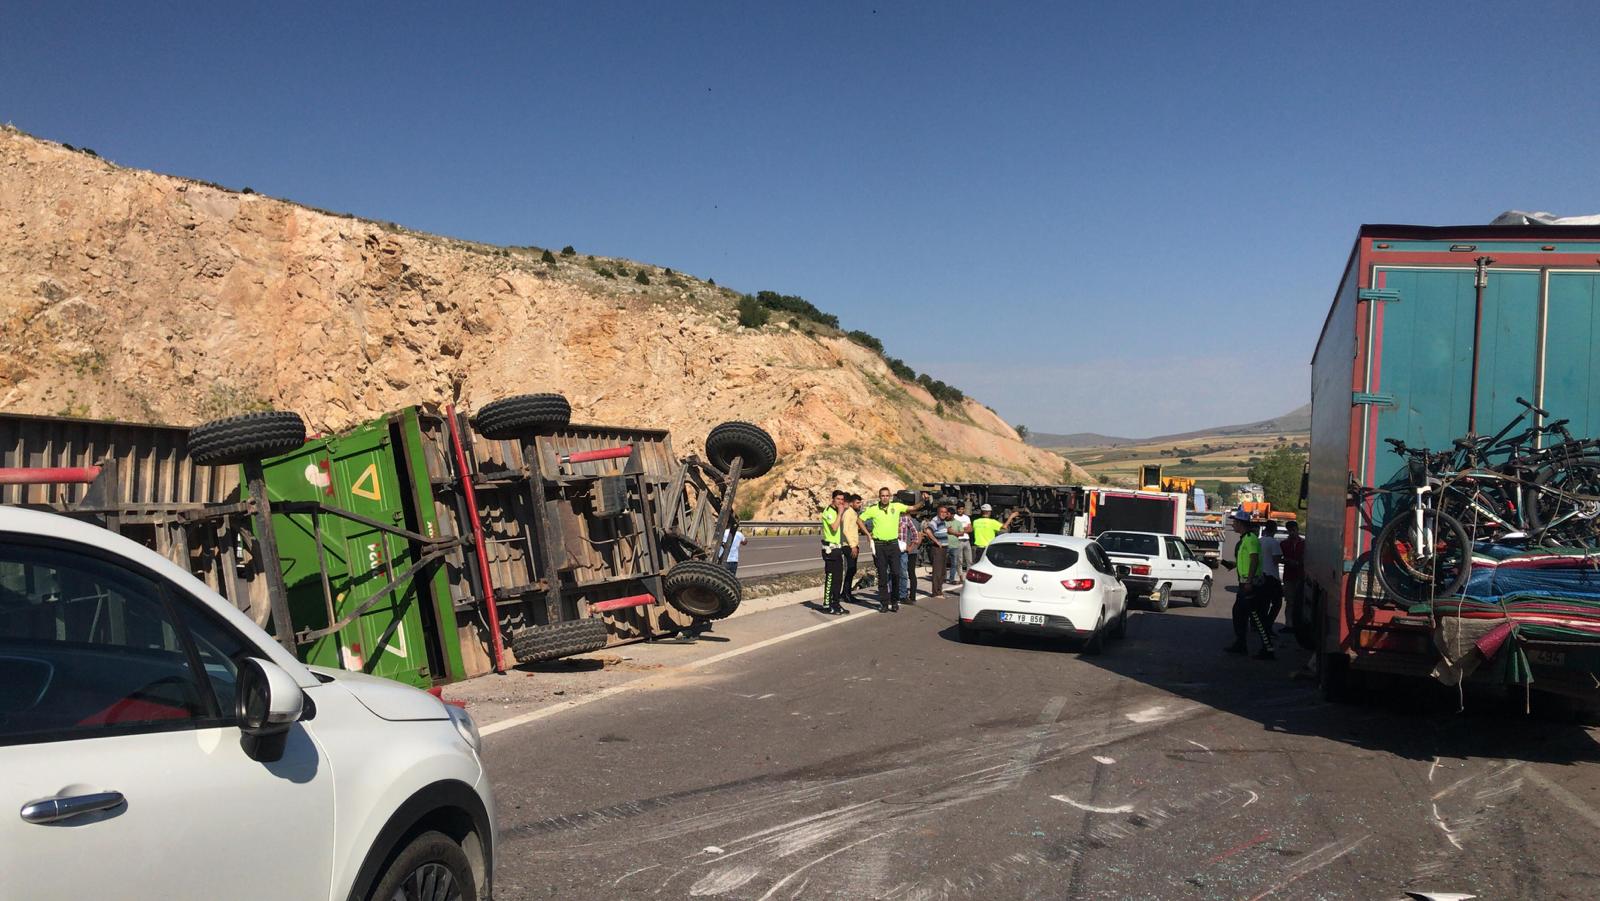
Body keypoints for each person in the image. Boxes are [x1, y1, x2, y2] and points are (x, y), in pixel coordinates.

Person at [1221, 509, 1276, 659]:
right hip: (1245, 583)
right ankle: (1242, 644)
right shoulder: (1245, 539)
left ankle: (1267, 648)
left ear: (1241, 523)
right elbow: (1246, 561)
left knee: (1256, 617)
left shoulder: (1250, 539)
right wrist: (1233, 565)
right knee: (1240, 614)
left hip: (1251, 584)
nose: (1233, 524)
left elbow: (1253, 559)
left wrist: (1249, 581)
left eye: (1235, 522)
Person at [860, 487, 923, 612]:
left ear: (889, 497)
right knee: (883, 575)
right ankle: (884, 603)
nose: (884, 498)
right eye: (882, 495)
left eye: (886, 495)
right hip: (879, 545)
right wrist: (867, 534)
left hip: (893, 545)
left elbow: (913, 508)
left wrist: (924, 500)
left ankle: (894, 601)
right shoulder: (873, 509)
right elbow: (859, 520)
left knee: (896, 573)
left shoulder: (897, 506)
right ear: (879, 497)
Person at [817, 491, 850, 615]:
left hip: (837, 549)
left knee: (838, 579)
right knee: (830, 578)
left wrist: (844, 508)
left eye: (842, 499)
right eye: (838, 499)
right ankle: (827, 604)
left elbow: (848, 506)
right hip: (829, 550)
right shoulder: (829, 512)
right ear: (832, 499)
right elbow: (834, 527)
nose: (840, 501)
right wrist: (841, 512)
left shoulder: (837, 511)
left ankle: (836, 603)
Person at [1279, 520, 1305, 634]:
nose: (1293, 532)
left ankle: (1297, 624)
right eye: (1290, 531)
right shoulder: (1284, 544)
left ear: (1297, 530)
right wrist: (1288, 561)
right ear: (1288, 531)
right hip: (1289, 576)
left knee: (1299, 602)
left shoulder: (1304, 544)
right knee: (1290, 601)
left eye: (1294, 530)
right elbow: (1279, 558)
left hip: (1301, 576)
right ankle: (1288, 624)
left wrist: (1300, 563)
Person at [1258, 520, 1285, 628]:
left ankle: (1259, 625)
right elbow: (1276, 560)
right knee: (1277, 603)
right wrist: (1289, 561)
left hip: (1260, 575)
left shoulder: (1259, 541)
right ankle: (1268, 625)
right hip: (1272, 577)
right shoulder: (1274, 543)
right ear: (1274, 530)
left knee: (1263, 603)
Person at [921, 506, 951, 597]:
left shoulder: (942, 521)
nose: (943, 513)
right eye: (941, 512)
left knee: (942, 572)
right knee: (937, 571)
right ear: (938, 512)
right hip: (937, 549)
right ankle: (935, 592)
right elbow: (928, 531)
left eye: (945, 512)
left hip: (944, 548)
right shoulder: (935, 520)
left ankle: (939, 591)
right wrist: (937, 541)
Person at [844, 493, 865, 598]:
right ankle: (846, 594)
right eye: (857, 503)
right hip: (849, 545)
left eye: (860, 502)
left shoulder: (854, 513)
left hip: (853, 544)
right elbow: (846, 530)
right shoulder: (848, 513)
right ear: (851, 503)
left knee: (852, 570)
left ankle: (846, 593)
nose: (859, 505)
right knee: (851, 569)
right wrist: (853, 546)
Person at [899, 506, 921, 602]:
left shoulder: (910, 521)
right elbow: (919, 537)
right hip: (911, 549)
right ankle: (912, 595)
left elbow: (917, 536)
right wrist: (914, 546)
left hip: (907, 550)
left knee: (904, 573)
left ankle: (906, 594)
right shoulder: (917, 522)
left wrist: (911, 547)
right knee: (911, 573)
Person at [949, 503, 972, 584]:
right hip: (958, 541)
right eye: (959, 509)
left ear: (964, 509)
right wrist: (963, 529)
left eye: (962, 509)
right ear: (957, 509)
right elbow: (952, 529)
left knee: (969, 560)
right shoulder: (954, 517)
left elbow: (970, 529)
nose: (960, 510)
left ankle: (968, 578)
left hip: (967, 540)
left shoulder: (967, 517)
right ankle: (961, 577)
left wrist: (960, 530)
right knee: (960, 561)